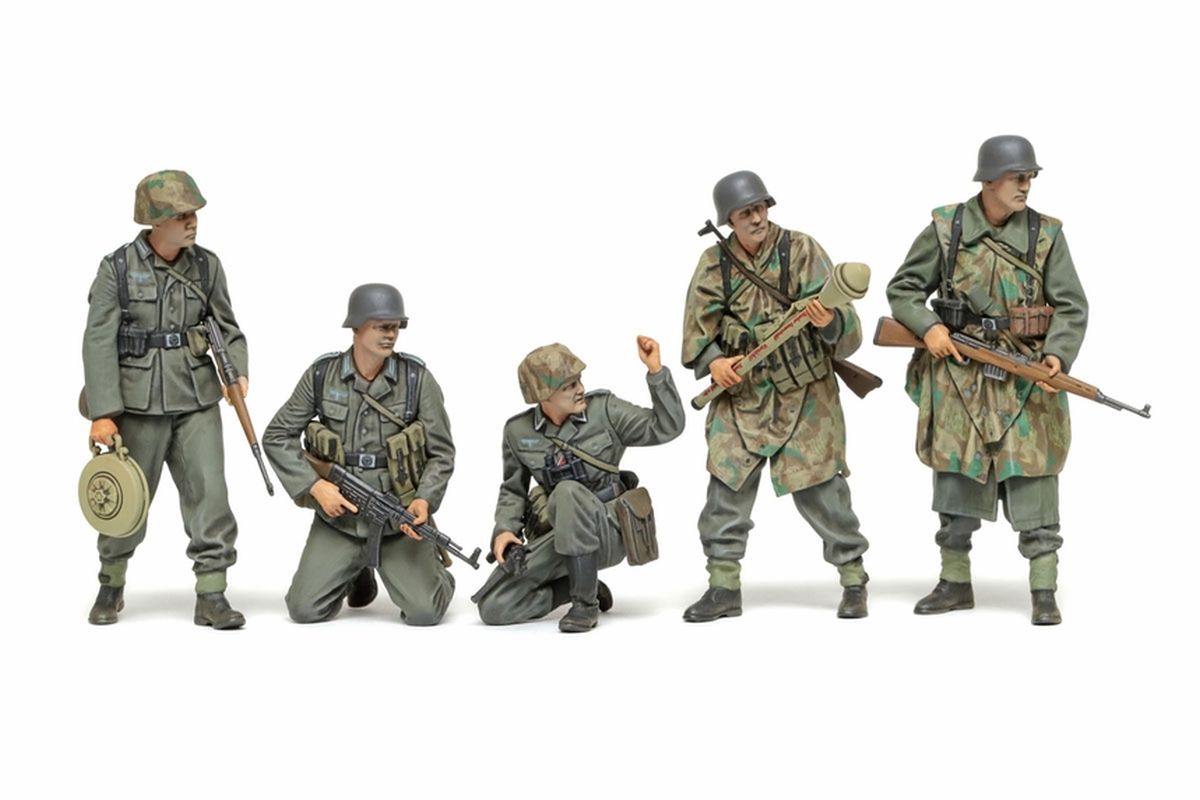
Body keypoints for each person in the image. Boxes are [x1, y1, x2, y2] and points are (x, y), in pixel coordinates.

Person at [886, 135, 1088, 625]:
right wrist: (929, 328)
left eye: (1030, 178)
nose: (1026, 186)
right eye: (1017, 178)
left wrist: (1057, 355)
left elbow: (1071, 305)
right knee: (956, 479)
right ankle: (954, 582)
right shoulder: (946, 228)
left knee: (1035, 479)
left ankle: (1043, 589)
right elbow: (904, 288)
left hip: (1025, 376)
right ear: (989, 180)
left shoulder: (1046, 235)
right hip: (960, 375)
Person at [680, 170, 870, 621]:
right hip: (741, 394)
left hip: (805, 394)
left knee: (824, 491)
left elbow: (848, 331)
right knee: (726, 490)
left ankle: (853, 579)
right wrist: (715, 362)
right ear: (728, 219)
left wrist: (828, 320)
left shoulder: (801, 250)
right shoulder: (714, 263)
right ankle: (723, 587)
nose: (757, 218)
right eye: (745, 212)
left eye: (761, 208)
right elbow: (697, 330)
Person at [82, 170, 248, 628]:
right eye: (180, 215)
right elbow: (98, 341)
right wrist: (103, 413)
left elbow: (228, 326)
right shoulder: (117, 268)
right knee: (127, 499)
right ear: (155, 220)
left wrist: (237, 372)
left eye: (193, 213)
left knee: (210, 495)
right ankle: (111, 583)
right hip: (137, 404)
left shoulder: (207, 266)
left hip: (196, 398)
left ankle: (212, 593)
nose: (192, 222)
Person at [264, 284, 457, 625]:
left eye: (395, 327)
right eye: (381, 326)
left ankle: (434, 574)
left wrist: (424, 500)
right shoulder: (323, 376)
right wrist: (314, 487)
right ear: (356, 327)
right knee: (303, 610)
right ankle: (356, 572)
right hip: (340, 519)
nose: (390, 335)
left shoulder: (417, 380)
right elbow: (277, 435)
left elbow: (441, 453)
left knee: (425, 613)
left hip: (396, 518)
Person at [474, 338, 684, 633]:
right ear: (544, 395)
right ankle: (578, 587)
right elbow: (513, 490)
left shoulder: (605, 411)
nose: (581, 388)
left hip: (609, 529)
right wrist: (504, 531)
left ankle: (585, 605)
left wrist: (656, 373)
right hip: (562, 535)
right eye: (569, 386)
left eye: (579, 380)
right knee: (494, 606)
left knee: (567, 491)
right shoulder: (518, 432)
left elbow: (667, 427)